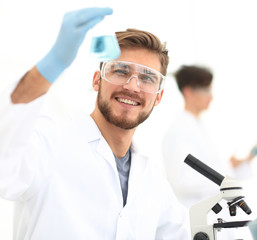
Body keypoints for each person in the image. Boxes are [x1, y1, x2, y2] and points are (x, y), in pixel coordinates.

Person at [0, 7, 189, 239]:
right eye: (120, 71)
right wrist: (52, 64)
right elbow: (4, 161)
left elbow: (181, 233)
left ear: (158, 97)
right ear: (97, 80)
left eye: (147, 78)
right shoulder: (50, 140)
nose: (132, 86)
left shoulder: (152, 180)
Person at [162, 65, 257, 207]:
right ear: (189, 92)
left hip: (214, 212)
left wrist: (233, 165)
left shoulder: (198, 125)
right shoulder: (179, 130)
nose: (211, 96)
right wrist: (225, 173)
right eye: (206, 90)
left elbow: (210, 169)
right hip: (198, 214)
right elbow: (184, 181)